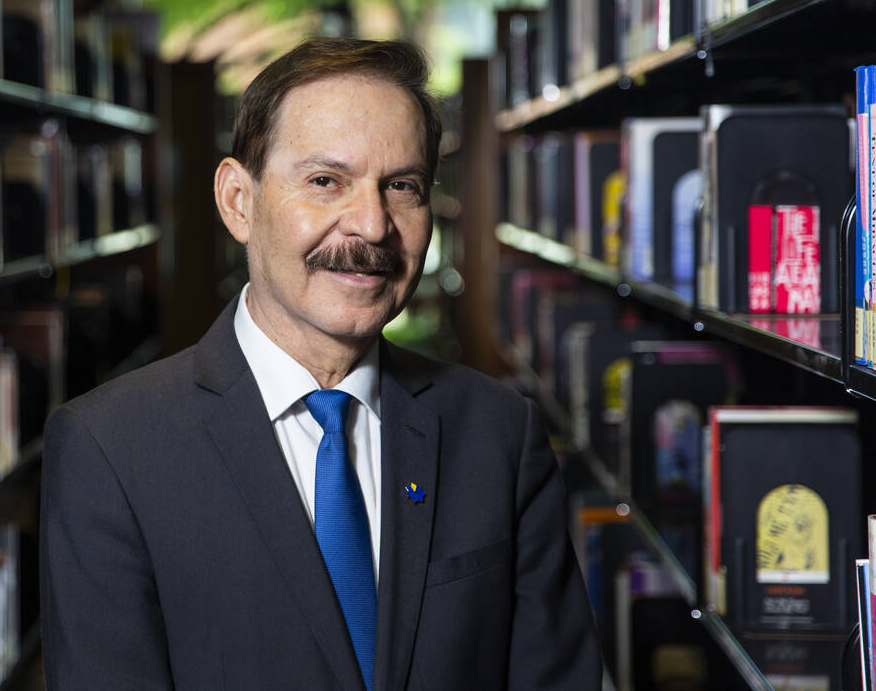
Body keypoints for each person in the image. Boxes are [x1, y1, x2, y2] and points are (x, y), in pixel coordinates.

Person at [41, 37, 601, 691]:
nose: (370, 224)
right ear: (238, 201)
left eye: (402, 186)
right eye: (325, 181)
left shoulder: (502, 434)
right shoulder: (110, 449)